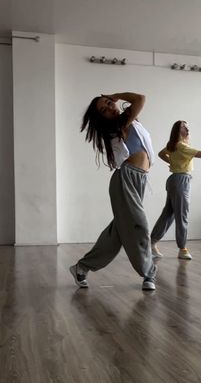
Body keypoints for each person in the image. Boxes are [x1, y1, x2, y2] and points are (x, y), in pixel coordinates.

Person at [70, 92, 157, 290]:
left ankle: (81, 268)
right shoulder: (120, 125)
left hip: (139, 179)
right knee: (139, 225)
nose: (109, 107)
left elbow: (139, 98)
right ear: (101, 117)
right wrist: (115, 96)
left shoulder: (131, 121)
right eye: (104, 109)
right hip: (125, 178)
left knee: (117, 232)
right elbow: (141, 99)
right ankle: (149, 273)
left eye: (109, 103)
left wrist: (114, 96)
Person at [151, 120, 201, 260]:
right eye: (183, 126)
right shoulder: (181, 146)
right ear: (177, 130)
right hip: (181, 181)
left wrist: (173, 163)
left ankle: (151, 243)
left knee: (168, 214)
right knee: (182, 215)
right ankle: (182, 248)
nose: (187, 128)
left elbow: (161, 154)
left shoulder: (174, 145)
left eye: (188, 126)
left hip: (174, 180)